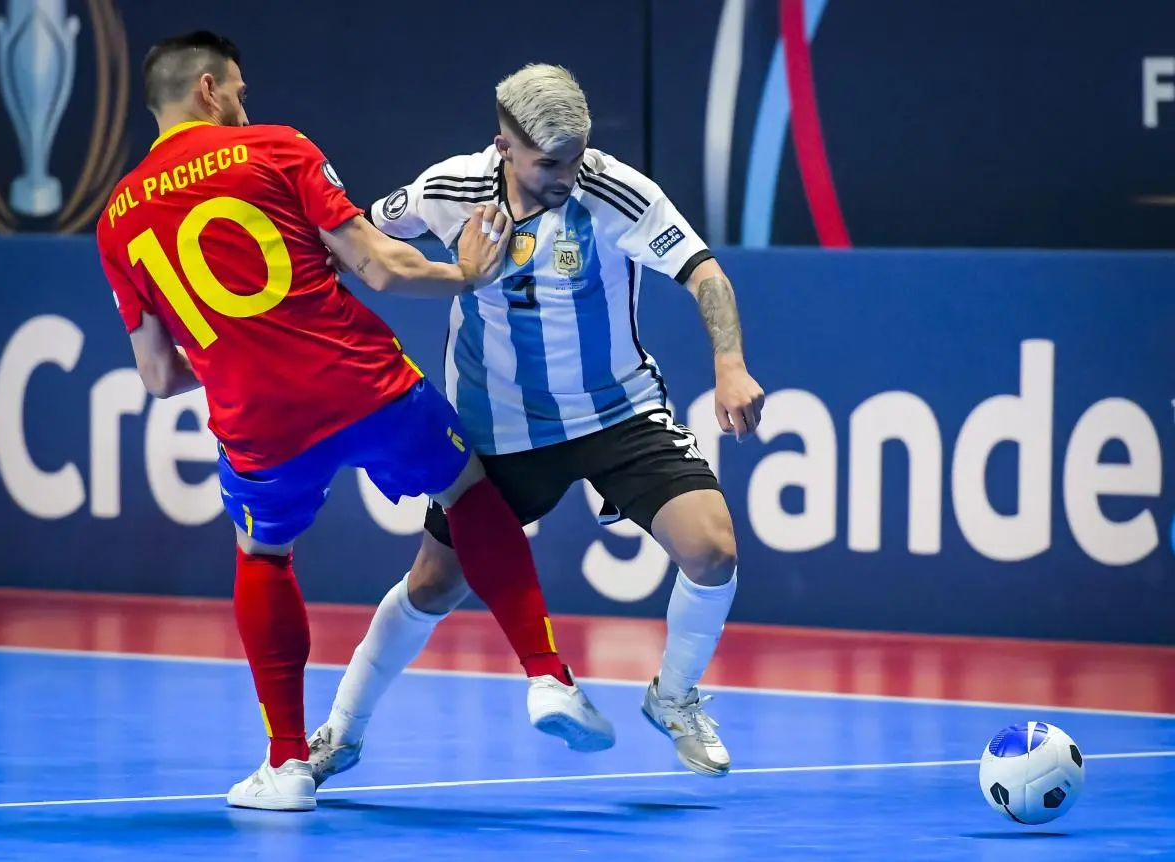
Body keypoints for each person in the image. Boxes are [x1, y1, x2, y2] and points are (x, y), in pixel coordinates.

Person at [95, 35, 613, 813]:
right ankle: (547, 676)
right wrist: (466, 274)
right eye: (236, 91)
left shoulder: (115, 222)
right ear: (207, 89)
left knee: (264, 552)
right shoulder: (276, 148)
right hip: (362, 385)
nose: (244, 105)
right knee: (469, 492)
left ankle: (287, 766)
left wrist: (243, 353)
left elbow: (159, 376)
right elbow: (377, 265)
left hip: (259, 426)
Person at [310, 64, 765, 784]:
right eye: (549, 162)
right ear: (504, 148)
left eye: (576, 156)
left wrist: (730, 363)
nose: (566, 173)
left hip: (617, 410)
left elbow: (703, 270)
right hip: (498, 430)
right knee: (431, 588)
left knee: (713, 551)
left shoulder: (614, 191)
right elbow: (356, 240)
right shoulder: (449, 188)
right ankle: (339, 732)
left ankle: (673, 697)